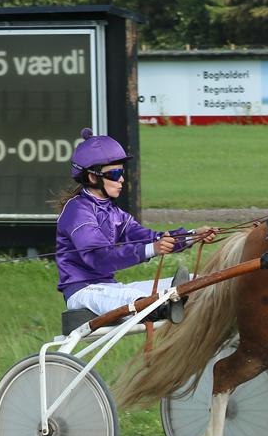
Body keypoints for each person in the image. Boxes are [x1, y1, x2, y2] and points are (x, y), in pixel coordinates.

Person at [52, 128, 213, 320]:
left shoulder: (115, 213)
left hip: (110, 289)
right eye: (114, 174)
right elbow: (99, 258)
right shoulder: (77, 211)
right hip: (83, 292)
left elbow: (152, 237)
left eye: (121, 172)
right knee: (141, 300)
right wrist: (152, 249)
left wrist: (191, 236)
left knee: (197, 283)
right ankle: (166, 311)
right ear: (92, 177)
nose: (121, 179)